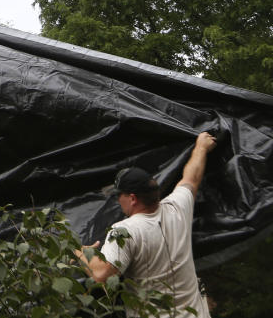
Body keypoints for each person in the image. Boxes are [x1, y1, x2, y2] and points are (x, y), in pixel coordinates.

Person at [77, 132, 217, 317]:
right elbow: (191, 178)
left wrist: (78, 251)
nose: (118, 201)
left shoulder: (124, 231)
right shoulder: (177, 208)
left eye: (119, 196)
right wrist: (201, 147)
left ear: (132, 198)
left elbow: (102, 276)